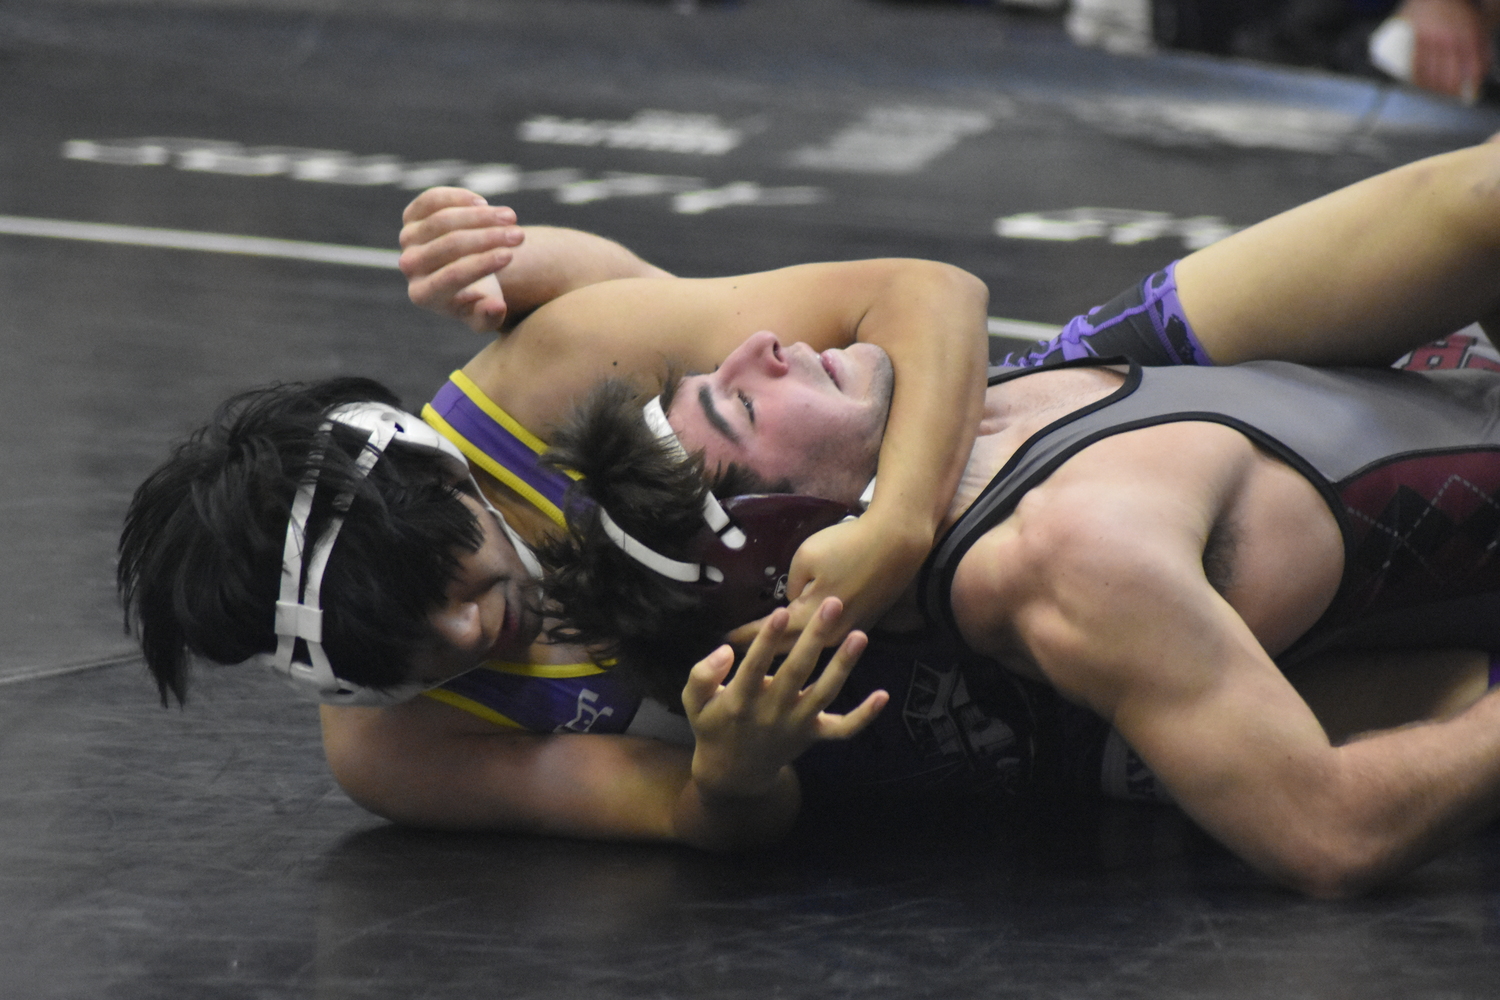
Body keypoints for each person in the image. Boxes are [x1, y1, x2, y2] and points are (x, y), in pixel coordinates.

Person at [119, 142, 1500, 893]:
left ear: (433, 466)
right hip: (996, 690)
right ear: (338, 678)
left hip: (977, 452)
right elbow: (707, 821)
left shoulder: (550, 373)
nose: (475, 623)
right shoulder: (397, 754)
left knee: (1464, 204)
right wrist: (733, 769)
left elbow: (913, 302)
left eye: (455, 567)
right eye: (411, 652)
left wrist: (893, 521)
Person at [533, 141, 1500, 897]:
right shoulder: (1065, 557)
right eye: (738, 406)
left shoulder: (1020, 386)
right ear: (793, 540)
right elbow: (1330, 835)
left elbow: (1458, 212)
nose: (757, 345)